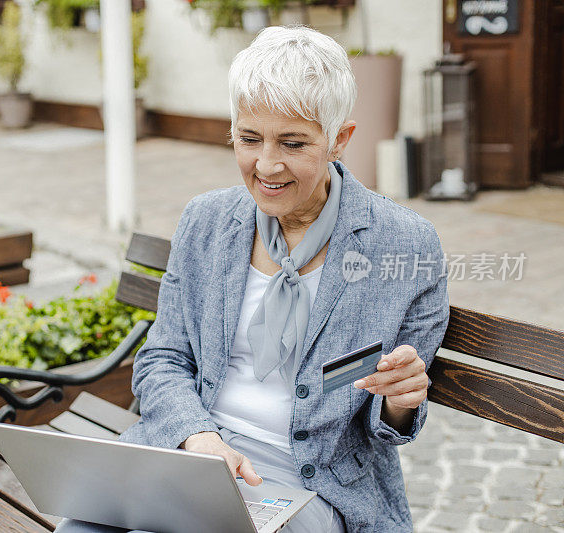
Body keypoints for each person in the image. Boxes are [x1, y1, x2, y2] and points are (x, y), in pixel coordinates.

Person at [56, 25, 449, 533]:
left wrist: (399, 402)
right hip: (196, 454)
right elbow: (163, 358)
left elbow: (388, 427)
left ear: (339, 140)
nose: (266, 165)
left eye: (292, 143)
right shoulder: (206, 221)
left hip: (314, 486)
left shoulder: (406, 245)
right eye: (248, 138)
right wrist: (197, 436)